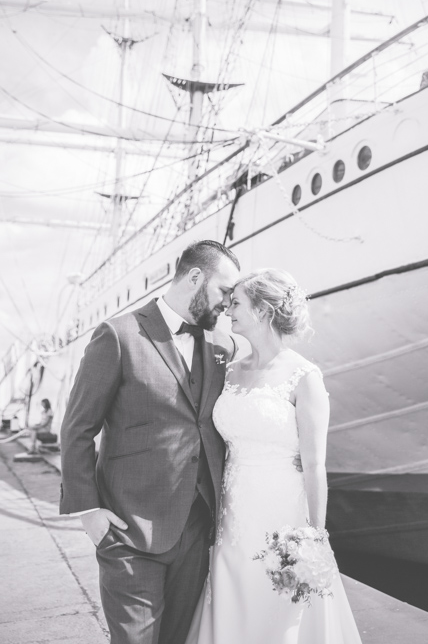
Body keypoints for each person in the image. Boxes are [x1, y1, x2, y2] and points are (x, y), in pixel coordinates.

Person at [59, 240, 241, 644]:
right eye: (224, 291)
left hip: (196, 529)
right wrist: (90, 513)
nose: (228, 303)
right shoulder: (118, 335)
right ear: (195, 277)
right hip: (128, 531)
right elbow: (77, 429)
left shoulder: (221, 346)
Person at [185, 268, 362, 644]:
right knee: (234, 598)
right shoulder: (228, 373)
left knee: (280, 609)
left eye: (236, 303)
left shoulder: (304, 376)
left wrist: (315, 536)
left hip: (282, 512)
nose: (227, 310)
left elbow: (314, 465)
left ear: (263, 310)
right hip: (231, 512)